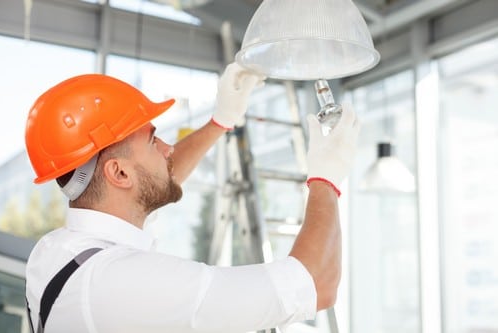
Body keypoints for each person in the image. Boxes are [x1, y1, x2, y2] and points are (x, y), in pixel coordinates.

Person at [24, 62, 360, 333]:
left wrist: (220, 121)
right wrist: (324, 179)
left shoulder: (56, 250)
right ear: (119, 174)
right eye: (154, 140)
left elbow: (155, 179)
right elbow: (317, 283)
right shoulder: (124, 283)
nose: (169, 148)